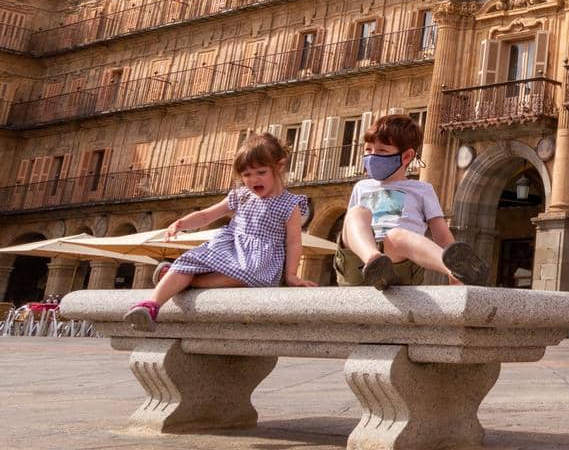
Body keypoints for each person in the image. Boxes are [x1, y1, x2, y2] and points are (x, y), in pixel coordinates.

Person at [123, 133, 313, 328]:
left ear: (279, 166)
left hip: (260, 258)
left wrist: (291, 275)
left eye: (261, 172)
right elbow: (207, 215)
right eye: (246, 175)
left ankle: (182, 278)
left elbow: (294, 242)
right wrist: (182, 223)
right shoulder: (241, 195)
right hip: (229, 246)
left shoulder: (291, 204)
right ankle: (150, 306)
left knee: (249, 274)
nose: (253, 179)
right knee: (188, 262)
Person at [341, 114, 488, 289]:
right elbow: (351, 230)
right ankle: (374, 261)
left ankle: (454, 269)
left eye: (382, 151)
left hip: (399, 266)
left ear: (406, 156)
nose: (372, 156)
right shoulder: (361, 187)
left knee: (396, 236)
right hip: (358, 263)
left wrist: (455, 275)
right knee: (356, 213)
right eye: (368, 150)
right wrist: (371, 254)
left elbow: (441, 233)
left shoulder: (422, 190)